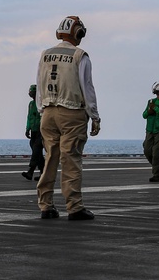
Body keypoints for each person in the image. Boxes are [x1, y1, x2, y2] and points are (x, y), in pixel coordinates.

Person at [35, 15, 101, 220]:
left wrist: (42, 110)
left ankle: (45, 205)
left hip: (48, 112)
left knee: (50, 159)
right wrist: (94, 115)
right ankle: (74, 207)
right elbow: (86, 87)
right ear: (78, 33)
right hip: (72, 112)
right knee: (71, 159)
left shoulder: (46, 54)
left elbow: (39, 84)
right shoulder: (80, 56)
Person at [23, 85, 44, 181]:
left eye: (31, 92)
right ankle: (43, 173)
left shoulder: (42, 103)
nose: (30, 93)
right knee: (37, 151)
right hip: (34, 130)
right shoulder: (31, 104)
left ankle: (30, 171)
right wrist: (28, 128)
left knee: (36, 149)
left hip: (41, 130)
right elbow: (29, 117)